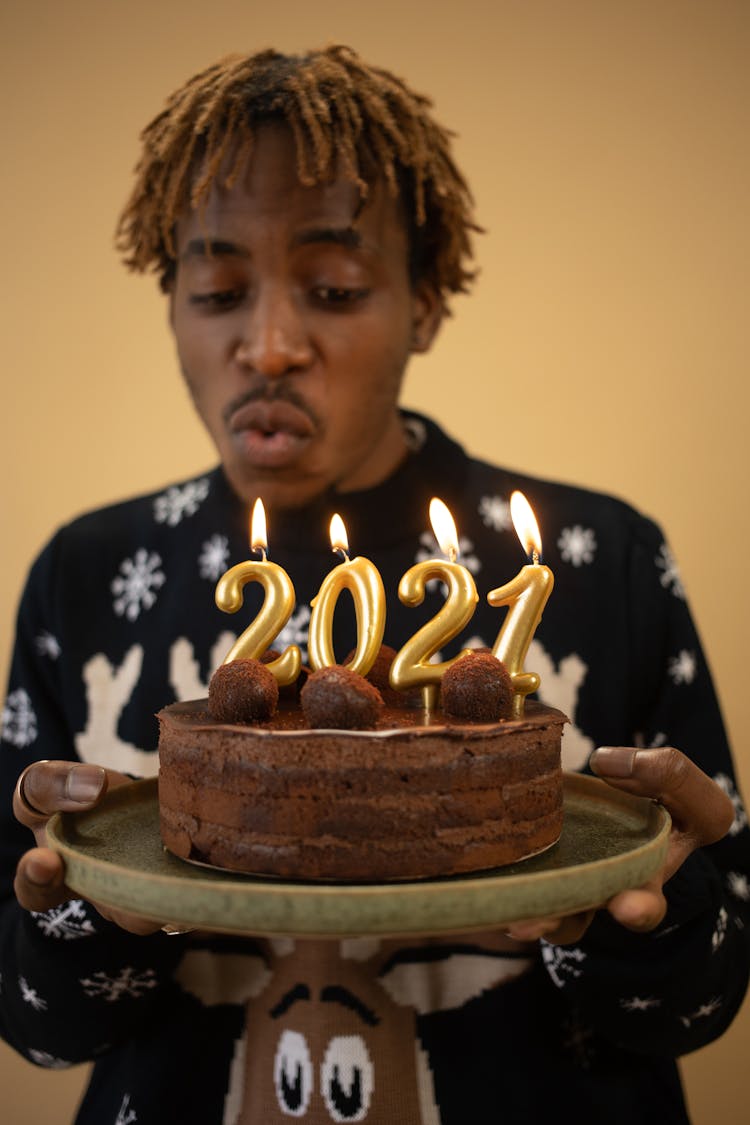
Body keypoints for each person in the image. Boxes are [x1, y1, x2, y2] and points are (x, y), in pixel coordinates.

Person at [1, 45, 747, 1125]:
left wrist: (647, 924)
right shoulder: (90, 573)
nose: (267, 345)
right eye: (215, 289)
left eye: (335, 288)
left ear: (428, 302)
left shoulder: (605, 559)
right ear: (170, 304)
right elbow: (35, 1023)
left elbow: (705, 996)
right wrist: (90, 911)